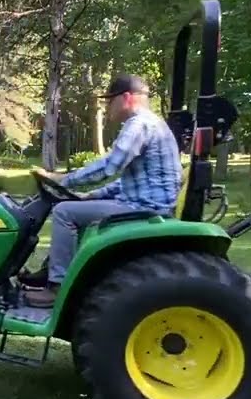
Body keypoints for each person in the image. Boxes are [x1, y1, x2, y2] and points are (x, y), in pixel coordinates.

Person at [24, 74, 182, 308]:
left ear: (126, 98)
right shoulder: (153, 124)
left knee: (64, 212)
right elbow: (128, 181)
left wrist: (64, 180)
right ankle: (51, 271)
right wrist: (90, 196)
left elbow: (110, 166)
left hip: (144, 210)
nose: (107, 107)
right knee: (73, 208)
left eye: (110, 101)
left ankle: (56, 287)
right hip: (144, 203)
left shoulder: (139, 125)